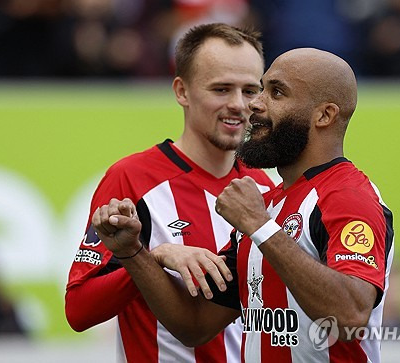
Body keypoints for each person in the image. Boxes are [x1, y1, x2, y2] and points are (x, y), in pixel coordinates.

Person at [92, 48, 394, 362]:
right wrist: (133, 252)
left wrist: (260, 226)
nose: (255, 103)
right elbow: (194, 325)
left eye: (276, 92)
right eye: (261, 89)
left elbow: (350, 315)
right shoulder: (268, 205)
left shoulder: (347, 195)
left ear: (324, 115)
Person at [65, 23, 274, 362]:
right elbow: (79, 311)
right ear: (182, 91)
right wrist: (150, 257)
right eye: (221, 89)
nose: (239, 104)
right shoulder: (131, 179)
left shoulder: (267, 188)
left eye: (250, 90)